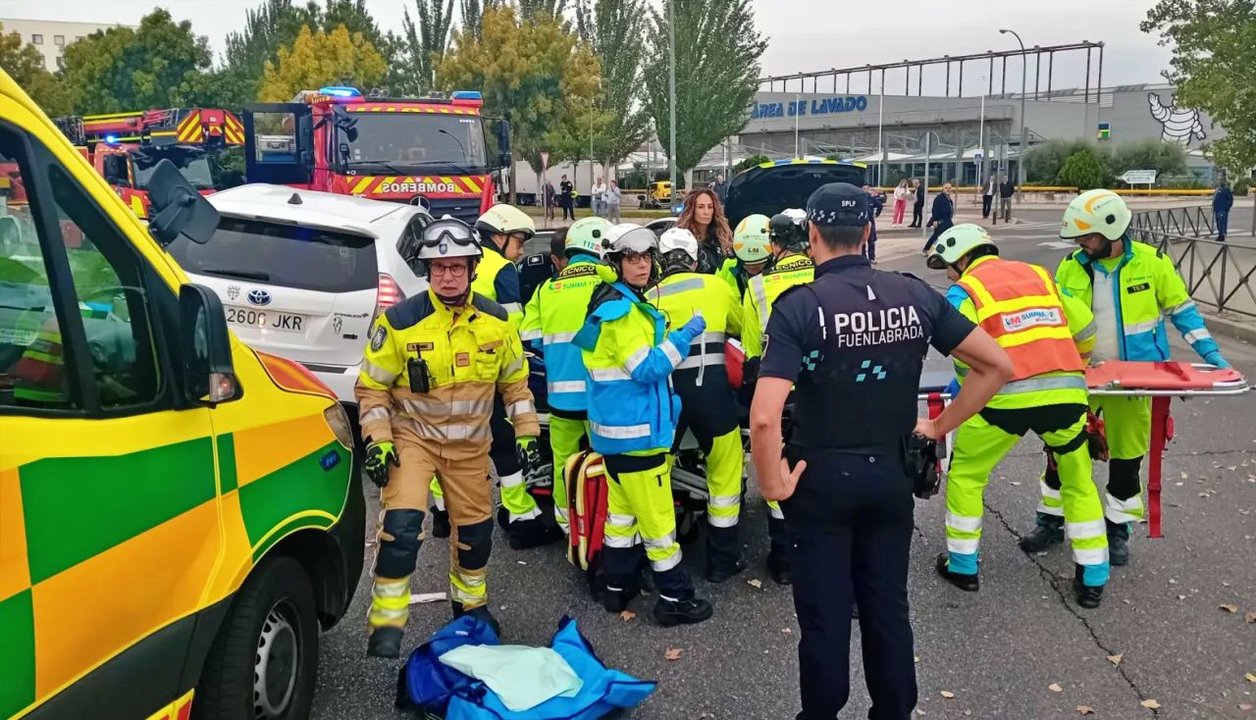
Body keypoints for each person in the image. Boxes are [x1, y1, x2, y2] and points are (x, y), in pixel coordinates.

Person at [749, 182, 1013, 720]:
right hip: (892, 474)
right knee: (886, 606)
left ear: (813, 236)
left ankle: (821, 713)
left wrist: (772, 483)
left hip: (818, 476)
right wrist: (938, 428)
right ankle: (894, 711)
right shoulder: (914, 294)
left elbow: (762, 414)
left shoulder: (799, 307)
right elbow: (997, 368)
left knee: (824, 615)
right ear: (868, 233)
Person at [356, 217, 541, 657]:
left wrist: (527, 432)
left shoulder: (496, 323)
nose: (448, 275)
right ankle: (386, 619)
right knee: (401, 528)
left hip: (470, 448)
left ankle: (470, 606)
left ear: (473, 268)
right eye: (438, 268)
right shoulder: (399, 322)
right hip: (413, 440)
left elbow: (515, 385)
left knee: (476, 534)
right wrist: (378, 439)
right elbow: (372, 388)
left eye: (457, 267)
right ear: (427, 271)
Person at [1019, 189, 1231, 564]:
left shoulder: (1153, 264)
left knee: (1126, 461)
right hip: (1081, 379)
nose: (1083, 244)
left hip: (1135, 381)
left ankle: (1117, 529)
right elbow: (1053, 319)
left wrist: (1211, 357)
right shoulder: (1072, 266)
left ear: (1112, 230)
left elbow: (1183, 313)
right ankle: (1051, 520)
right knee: (1060, 454)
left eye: (1089, 237)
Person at [926, 224, 1109, 607]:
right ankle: (1092, 576)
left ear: (963, 258)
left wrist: (967, 394)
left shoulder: (966, 291)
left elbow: (965, 353)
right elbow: (1086, 326)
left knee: (968, 476)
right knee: (1079, 482)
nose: (947, 274)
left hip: (1000, 402)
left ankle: (963, 567)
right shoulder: (1040, 276)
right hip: (1065, 397)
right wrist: (1077, 368)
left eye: (947, 265)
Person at [575, 224, 714, 626]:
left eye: (646, 258)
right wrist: (686, 335)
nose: (642, 265)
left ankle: (616, 589)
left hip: (613, 437)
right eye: (632, 259)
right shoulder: (623, 313)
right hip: (639, 439)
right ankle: (675, 598)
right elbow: (648, 368)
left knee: (622, 520)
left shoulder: (605, 305)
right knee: (659, 526)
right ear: (615, 263)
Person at [429, 204, 561, 549]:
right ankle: (521, 517)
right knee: (504, 442)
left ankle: (442, 509)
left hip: (445, 370)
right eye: (519, 242)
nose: (520, 251)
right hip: (487, 370)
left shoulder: (457, 260)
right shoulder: (502, 269)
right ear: (500, 237)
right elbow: (512, 330)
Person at [646, 226, 746, 581]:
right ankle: (722, 561)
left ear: (660, 260)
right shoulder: (717, 287)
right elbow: (739, 326)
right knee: (725, 470)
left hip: (666, 397)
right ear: (695, 259)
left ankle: (660, 560)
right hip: (713, 393)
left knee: (656, 475)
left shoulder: (649, 294)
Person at [520, 217, 612, 534]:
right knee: (606, 461)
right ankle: (606, 519)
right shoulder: (608, 279)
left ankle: (565, 522)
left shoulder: (547, 288)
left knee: (563, 460)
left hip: (560, 397)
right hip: (602, 394)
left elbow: (530, 335)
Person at [740, 208, 814, 586]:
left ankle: (785, 560)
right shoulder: (825, 275)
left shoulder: (757, 287)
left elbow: (754, 353)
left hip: (781, 392)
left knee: (780, 466)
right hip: (825, 391)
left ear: (773, 245)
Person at [675, 188, 734, 275]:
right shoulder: (682, 239)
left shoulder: (722, 236)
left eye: (710, 207)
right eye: (700, 207)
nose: (706, 212)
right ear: (691, 209)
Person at [724, 213, 773, 298]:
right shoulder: (726, 268)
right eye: (746, 263)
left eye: (758, 263)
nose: (752, 267)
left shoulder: (783, 270)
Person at [923, 182, 954, 253]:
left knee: (950, 234)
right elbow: (935, 210)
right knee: (936, 235)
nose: (948, 189)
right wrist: (935, 220)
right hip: (941, 220)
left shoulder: (948, 198)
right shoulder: (939, 198)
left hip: (948, 220)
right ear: (943, 189)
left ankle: (945, 249)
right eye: (946, 188)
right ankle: (926, 249)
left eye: (949, 188)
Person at [863, 184, 885, 263]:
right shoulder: (860, 199)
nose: (865, 190)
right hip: (862, 223)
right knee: (862, 242)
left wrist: (877, 214)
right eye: (864, 188)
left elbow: (880, 206)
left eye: (867, 188)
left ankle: (871, 258)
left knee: (871, 241)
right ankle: (864, 258)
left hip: (870, 222)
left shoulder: (872, 199)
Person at [1213, 177, 1234, 242]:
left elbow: (1230, 199)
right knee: (1218, 223)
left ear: (1224, 181)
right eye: (1219, 180)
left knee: (1222, 223)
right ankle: (1220, 234)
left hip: (1223, 209)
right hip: (1217, 209)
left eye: (1221, 180)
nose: (1220, 181)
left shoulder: (1226, 189)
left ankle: (1222, 236)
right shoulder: (1217, 189)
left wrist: (1227, 207)